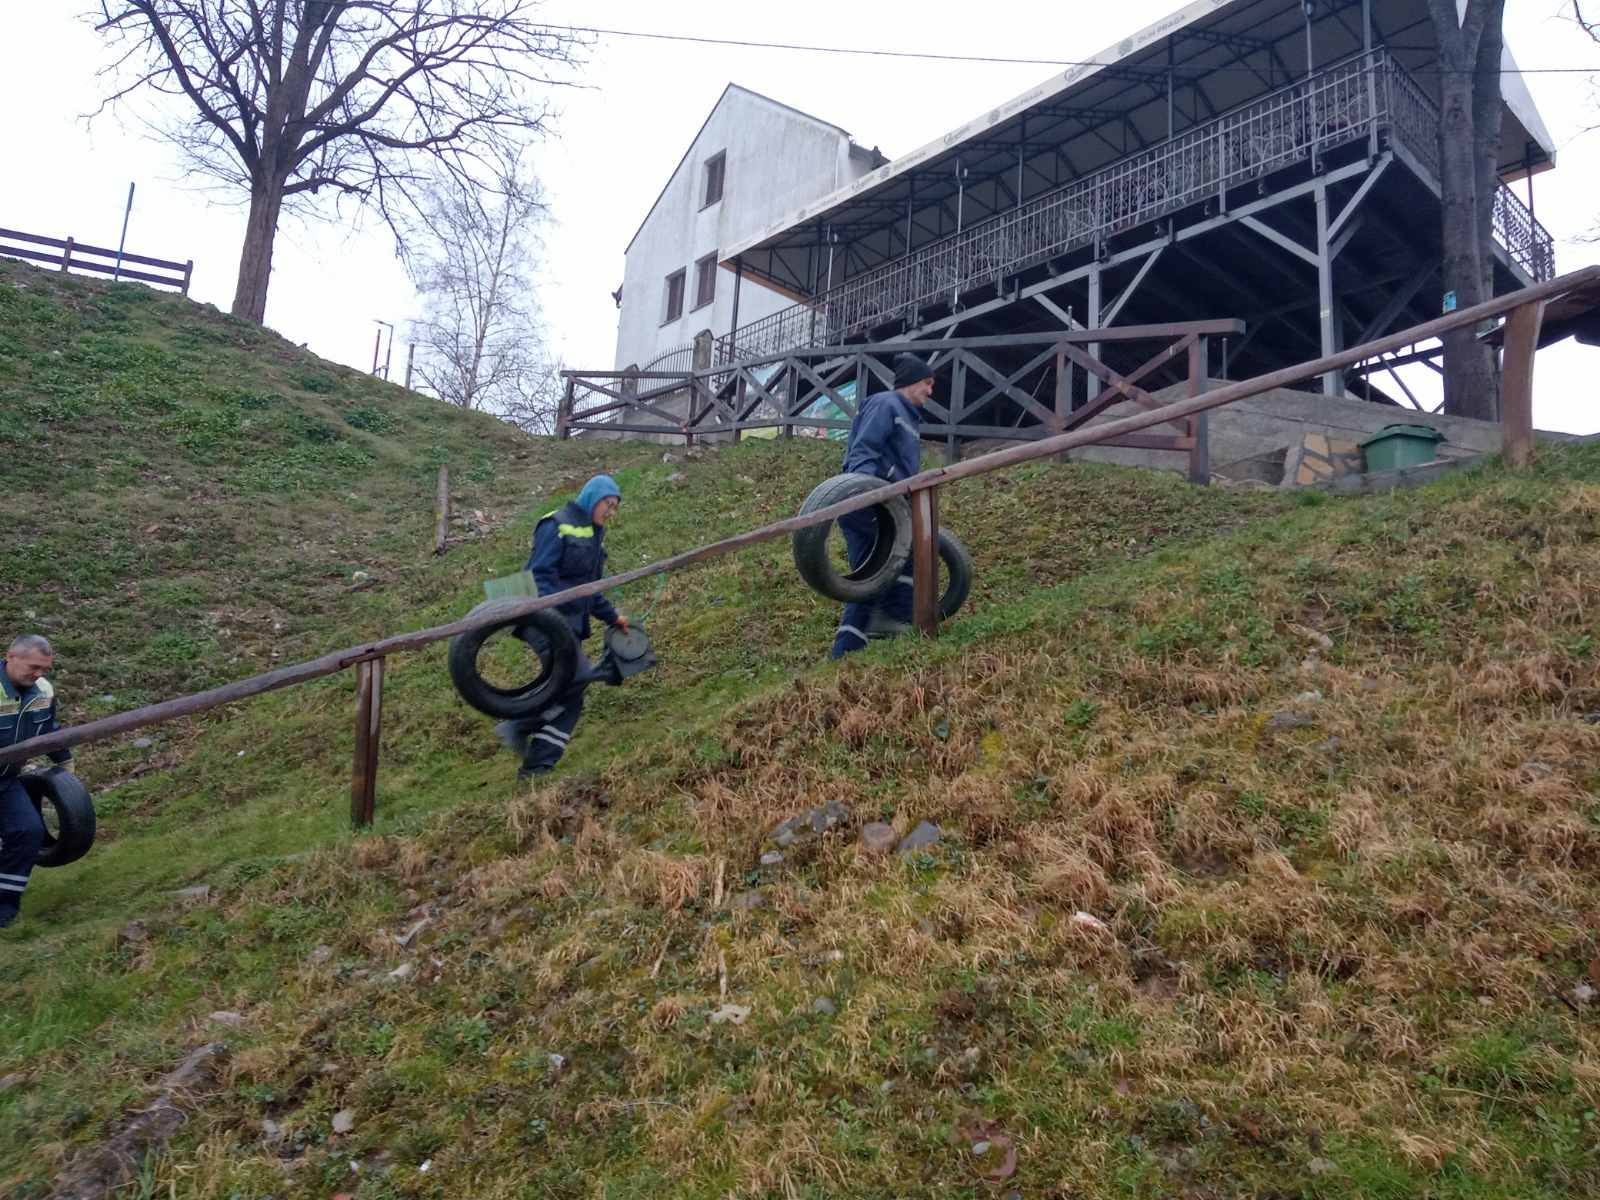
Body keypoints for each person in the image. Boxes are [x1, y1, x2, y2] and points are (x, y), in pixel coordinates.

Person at [496, 475, 630, 781]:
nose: (611, 512)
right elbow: (538, 575)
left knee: (571, 695)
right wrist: (550, 620)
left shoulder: (595, 535)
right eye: (608, 505)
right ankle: (518, 725)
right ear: (593, 498)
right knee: (577, 675)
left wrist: (612, 617)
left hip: (567, 624)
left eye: (615, 507)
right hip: (543, 620)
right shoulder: (556, 523)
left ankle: (536, 765)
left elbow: (589, 588)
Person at [830, 354, 936, 659]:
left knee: (868, 576)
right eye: (927, 383)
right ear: (911, 381)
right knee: (907, 551)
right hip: (869, 503)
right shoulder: (886, 403)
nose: (931, 391)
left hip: (886, 503)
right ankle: (895, 619)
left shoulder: (908, 417)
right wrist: (863, 494)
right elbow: (864, 451)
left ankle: (846, 651)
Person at [1, 634, 73, 929]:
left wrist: (65, 764)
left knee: (28, 832)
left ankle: (4, 907)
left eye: (44, 668)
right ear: (10, 657)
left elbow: (49, 731)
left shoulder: (42, 690)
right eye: (33, 666)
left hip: (5, 780)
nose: (39, 674)